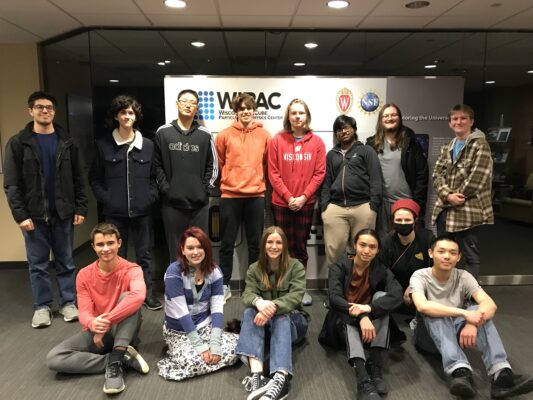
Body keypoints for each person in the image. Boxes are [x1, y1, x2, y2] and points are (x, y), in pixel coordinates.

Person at [410, 236, 533, 399]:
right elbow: (422, 306)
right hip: (427, 338)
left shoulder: (464, 276)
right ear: (431, 253)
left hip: (454, 334)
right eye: (441, 251)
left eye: (453, 253)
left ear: (459, 257)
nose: (447, 256)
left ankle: (501, 375)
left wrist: (472, 323)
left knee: (479, 309)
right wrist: (465, 314)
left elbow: (490, 304)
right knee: (436, 313)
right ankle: (459, 372)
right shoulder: (420, 275)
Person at [3, 91, 88, 329]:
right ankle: (41, 307)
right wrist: (21, 215)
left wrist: (80, 206)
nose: (44, 111)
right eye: (39, 107)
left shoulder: (67, 142)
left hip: (63, 213)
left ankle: (68, 302)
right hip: (34, 216)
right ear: (30, 111)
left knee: (66, 261)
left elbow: (79, 178)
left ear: (54, 111)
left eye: (49, 107)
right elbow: (11, 184)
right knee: (38, 264)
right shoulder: (18, 143)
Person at [46, 223, 149, 395]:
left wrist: (107, 320)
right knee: (54, 358)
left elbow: (138, 296)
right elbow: (84, 312)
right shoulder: (84, 275)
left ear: (119, 243)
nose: (106, 248)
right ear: (93, 246)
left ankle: (116, 361)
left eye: (110, 243)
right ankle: (119, 358)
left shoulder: (132, 269)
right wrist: (93, 323)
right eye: (100, 244)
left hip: (124, 327)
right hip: (98, 331)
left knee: (128, 298)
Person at [89, 95, 161, 311]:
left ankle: (145, 294)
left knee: (144, 256)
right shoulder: (103, 146)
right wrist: (108, 199)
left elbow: (155, 178)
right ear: (116, 116)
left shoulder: (148, 145)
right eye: (123, 112)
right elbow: (95, 179)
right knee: (114, 257)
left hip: (142, 212)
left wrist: (150, 198)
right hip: (115, 213)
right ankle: (117, 297)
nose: (127, 116)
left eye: (131, 112)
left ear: (136, 116)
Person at [320, 229, 402, 400]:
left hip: (368, 322)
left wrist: (369, 309)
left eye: (372, 247)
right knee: (348, 319)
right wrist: (361, 316)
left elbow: (397, 295)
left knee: (381, 299)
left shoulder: (380, 269)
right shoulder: (339, 267)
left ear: (378, 250)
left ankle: (375, 366)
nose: (366, 250)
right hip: (341, 321)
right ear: (354, 245)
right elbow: (335, 299)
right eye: (363, 245)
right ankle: (363, 379)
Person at [158, 226, 239, 381]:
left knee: (240, 347)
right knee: (190, 362)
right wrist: (200, 346)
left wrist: (214, 343)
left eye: (199, 247)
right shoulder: (173, 272)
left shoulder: (214, 271)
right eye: (190, 248)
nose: (195, 252)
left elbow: (216, 308)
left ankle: (201, 355)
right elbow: (181, 312)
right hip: (179, 331)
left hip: (205, 326)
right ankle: (178, 355)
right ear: (182, 249)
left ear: (206, 249)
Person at [236, 226, 308, 400]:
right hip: (266, 326)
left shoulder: (296, 266)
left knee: (281, 316)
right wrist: (259, 302)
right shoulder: (254, 269)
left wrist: (272, 307)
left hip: (294, 323)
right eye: (270, 242)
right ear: (263, 245)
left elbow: (296, 297)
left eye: (278, 242)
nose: (274, 246)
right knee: (248, 312)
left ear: (284, 245)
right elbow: (248, 294)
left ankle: (281, 379)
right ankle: (257, 376)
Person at [268, 98, 326, 306]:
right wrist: (289, 197)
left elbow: (319, 174)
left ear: (307, 116)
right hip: (282, 203)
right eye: (293, 113)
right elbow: (273, 174)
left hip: (306, 204)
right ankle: (283, 288)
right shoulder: (278, 140)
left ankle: (299, 290)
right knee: (281, 247)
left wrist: (302, 197)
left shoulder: (317, 142)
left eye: (301, 113)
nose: (297, 116)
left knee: (300, 247)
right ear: (288, 117)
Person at [215, 93, 271, 302]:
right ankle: (225, 285)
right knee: (227, 243)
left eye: (249, 108)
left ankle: (252, 286)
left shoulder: (265, 135)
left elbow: (266, 164)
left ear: (254, 110)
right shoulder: (224, 135)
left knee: (256, 244)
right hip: (230, 195)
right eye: (241, 108)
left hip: (256, 195)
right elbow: (220, 163)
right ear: (236, 112)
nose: (246, 111)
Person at [154, 89, 218, 262]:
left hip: (199, 205)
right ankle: (177, 288)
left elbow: (213, 167)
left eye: (192, 103)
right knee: (175, 251)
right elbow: (156, 165)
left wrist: (204, 189)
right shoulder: (163, 132)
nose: (188, 105)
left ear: (197, 108)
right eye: (184, 101)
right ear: (177, 104)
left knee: (199, 251)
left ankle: (198, 287)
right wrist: (167, 189)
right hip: (172, 205)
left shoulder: (205, 135)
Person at [432, 104, 493, 278]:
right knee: (445, 253)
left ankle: (468, 296)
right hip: (445, 208)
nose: (459, 122)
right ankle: (446, 290)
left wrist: (457, 196)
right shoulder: (447, 147)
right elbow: (437, 175)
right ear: (450, 123)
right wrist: (448, 196)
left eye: (463, 118)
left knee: (469, 255)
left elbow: (478, 177)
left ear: (471, 122)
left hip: (468, 211)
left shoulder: (480, 145)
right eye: (455, 119)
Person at [321, 115, 382, 266]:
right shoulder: (331, 155)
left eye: (347, 127)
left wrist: (373, 206)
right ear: (336, 134)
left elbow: (375, 178)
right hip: (336, 207)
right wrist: (324, 206)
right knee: (334, 252)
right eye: (339, 129)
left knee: (364, 251)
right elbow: (327, 182)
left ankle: (361, 288)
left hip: (363, 206)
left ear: (354, 129)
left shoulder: (366, 151)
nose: (343, 131)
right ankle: (335, 288)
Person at [366, 104, 428, 238]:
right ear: (381, 120)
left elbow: (422, 175)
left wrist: (417, 204)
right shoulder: (371, 144)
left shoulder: (410, 143)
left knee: (405, 242)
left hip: (405, 202)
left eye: (394, 115)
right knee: (382, 243)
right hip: (382, 204)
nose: (390, 118)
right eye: (386, 115)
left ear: (400, 118)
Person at [379, 198, 434, 311]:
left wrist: (414, 286)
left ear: (415, 220)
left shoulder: (427, 238)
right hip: (395, 292)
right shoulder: (386, 242)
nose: (403, 223)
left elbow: (434, 268)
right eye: (399, 220)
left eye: (407, 220)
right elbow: (383, 271)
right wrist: (397, 291)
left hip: (422, 288)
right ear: (393, 221)